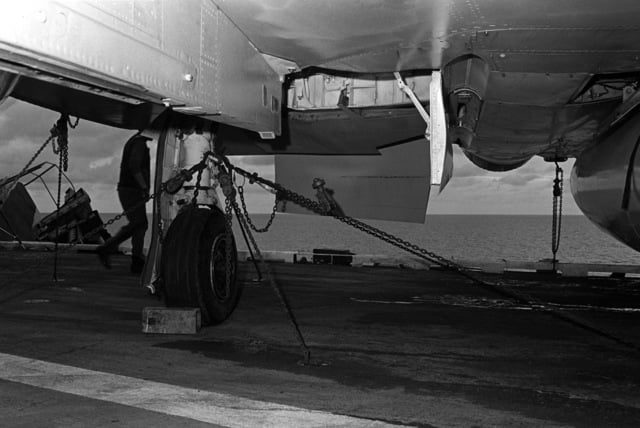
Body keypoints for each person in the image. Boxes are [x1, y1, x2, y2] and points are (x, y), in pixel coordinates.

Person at [97, 132, 151, 274]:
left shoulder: (134, 142)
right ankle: (109, 248)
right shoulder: (139, 143)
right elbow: (134, 165)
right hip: (132, 190)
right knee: (138, 223)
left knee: (139, 224)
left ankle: (136, 260)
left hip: (130, 189)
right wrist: (144, 186)